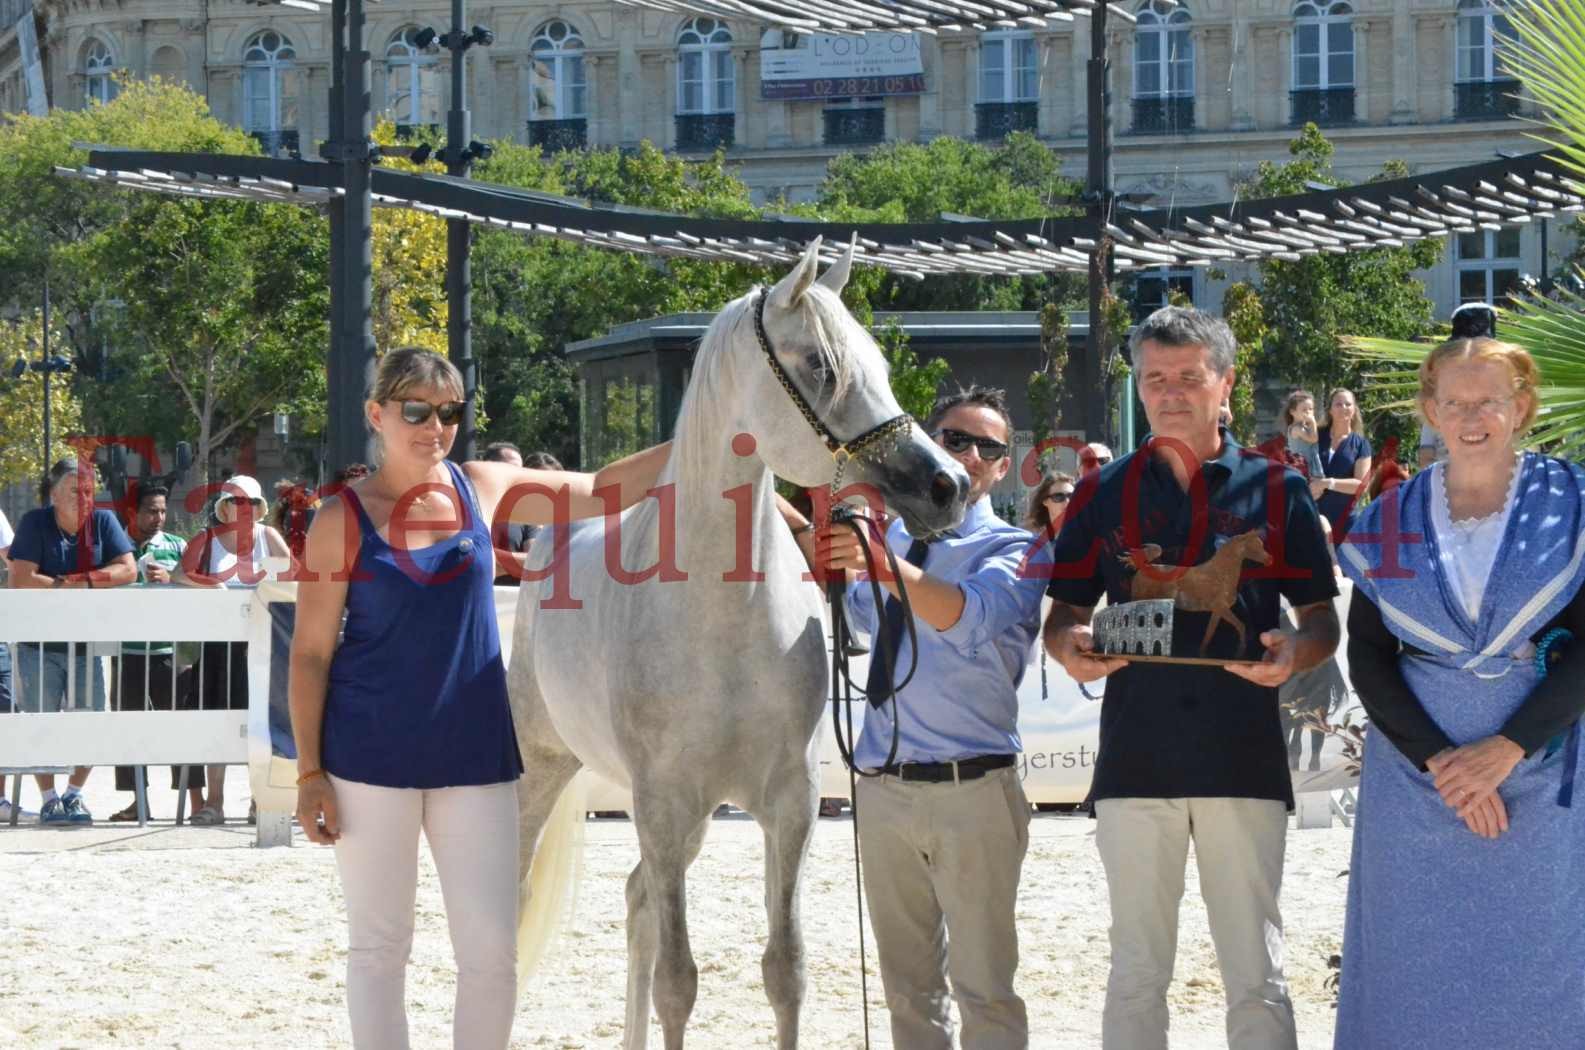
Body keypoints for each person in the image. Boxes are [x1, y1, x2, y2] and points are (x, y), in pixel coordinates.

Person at [288, 347, 671, 1049]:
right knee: (379, 948)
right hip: (368, 756)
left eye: (448, 412)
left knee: (491, 952)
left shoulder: (482, 487)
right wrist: (310, 772)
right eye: (415, 411)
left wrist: (708, 425)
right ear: (377, 415)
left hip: (476, 753)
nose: (434, 426)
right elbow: (310, 653)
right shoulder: (339, 519)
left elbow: (611, 489)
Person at [1044, 306, 1340, 1050]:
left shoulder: (1280, 490)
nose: (1170, 393)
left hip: (1241, 757)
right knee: (1135, 970)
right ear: (1138, 388)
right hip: (1132, 761)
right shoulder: (1100, 491)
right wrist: (1067, 646)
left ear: (1224, 383)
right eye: (1154, 380)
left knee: (1256, 974)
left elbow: (1321, 622)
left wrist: (1293, 653)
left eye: (1187, 377)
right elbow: (1064, 613)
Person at [1333, 337, 1585, 1048]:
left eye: (1489, 402)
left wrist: (1503, 752)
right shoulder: (1387, 516)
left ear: (1522, 407)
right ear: (1429, 410)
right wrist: (1444, 766)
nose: (1471, 417)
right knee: (1410, 959)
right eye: (1455, 402)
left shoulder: (1573, 505)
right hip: (1416, 784)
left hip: (1541, 777)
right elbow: (1370, 654)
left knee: (1543, 960)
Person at [790, 384, 1045, 1050]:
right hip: (883, 786)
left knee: (984, 986)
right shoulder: (891, 538)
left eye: (985, 446)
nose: (968, 454)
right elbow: (864, 625)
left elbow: (967, 618)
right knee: (906, 989)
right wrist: (835, 564)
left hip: (975, 791)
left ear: (1000, 466)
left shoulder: (1017, 548)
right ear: (929, 447)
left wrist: (880, 563)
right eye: (954, 439)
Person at [7, 458, 138, 825]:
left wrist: (82, 580)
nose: (82, 495)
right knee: (39, 720)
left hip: (87, 642)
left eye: (88, 489)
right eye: (73, 488)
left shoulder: (103, 521)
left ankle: (74, 795)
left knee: (91, 719)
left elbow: (128, 569)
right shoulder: (36, 521)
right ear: (53, 494)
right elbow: (21, 578)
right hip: (37, 642)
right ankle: (48, 798)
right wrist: (74, 586)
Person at [179, 473, 292, 826]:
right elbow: (178, 575)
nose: (243, 509)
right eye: (236, 501)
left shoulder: (269, 536)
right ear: (224, 508)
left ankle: (261, 801)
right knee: (218, 722)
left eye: (251, 502)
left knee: (261, 723)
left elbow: (294, 573)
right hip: (217, 648)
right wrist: (210, 584)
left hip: (264, 647)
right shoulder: (206, 540)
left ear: (259, 509)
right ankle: (214, 802)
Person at [109, 484, 200, 822]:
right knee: (128, 729)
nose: (159, 517)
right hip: (127, 650)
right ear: (133, 512)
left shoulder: (178, 545)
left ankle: (196, 802)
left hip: (170, 650)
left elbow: (198, 582)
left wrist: (173, 579)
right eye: (151, 510)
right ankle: (138, 802)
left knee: (180, 728)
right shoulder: (114, 545)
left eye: (163, 510)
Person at [1314, 388, 1373, 538]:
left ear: (1354, 410)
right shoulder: (1314, 436)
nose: (1343, 408)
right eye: (1338, 404)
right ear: (1330, 410)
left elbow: (1361, 485)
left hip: (1345, 522)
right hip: (1312, 516)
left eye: (1348, 404)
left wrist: (1326, 483)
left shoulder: (1361, 445)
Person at [1280, 390, 1324, 480]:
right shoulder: (1296, 429)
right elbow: (1313, 439)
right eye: (1304, 410)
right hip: (1301, 466)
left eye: (1311, 409)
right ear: (1292, 412)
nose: (1308, 412)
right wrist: (1313, 422)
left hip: (1309, 464)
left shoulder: (1303, 426)